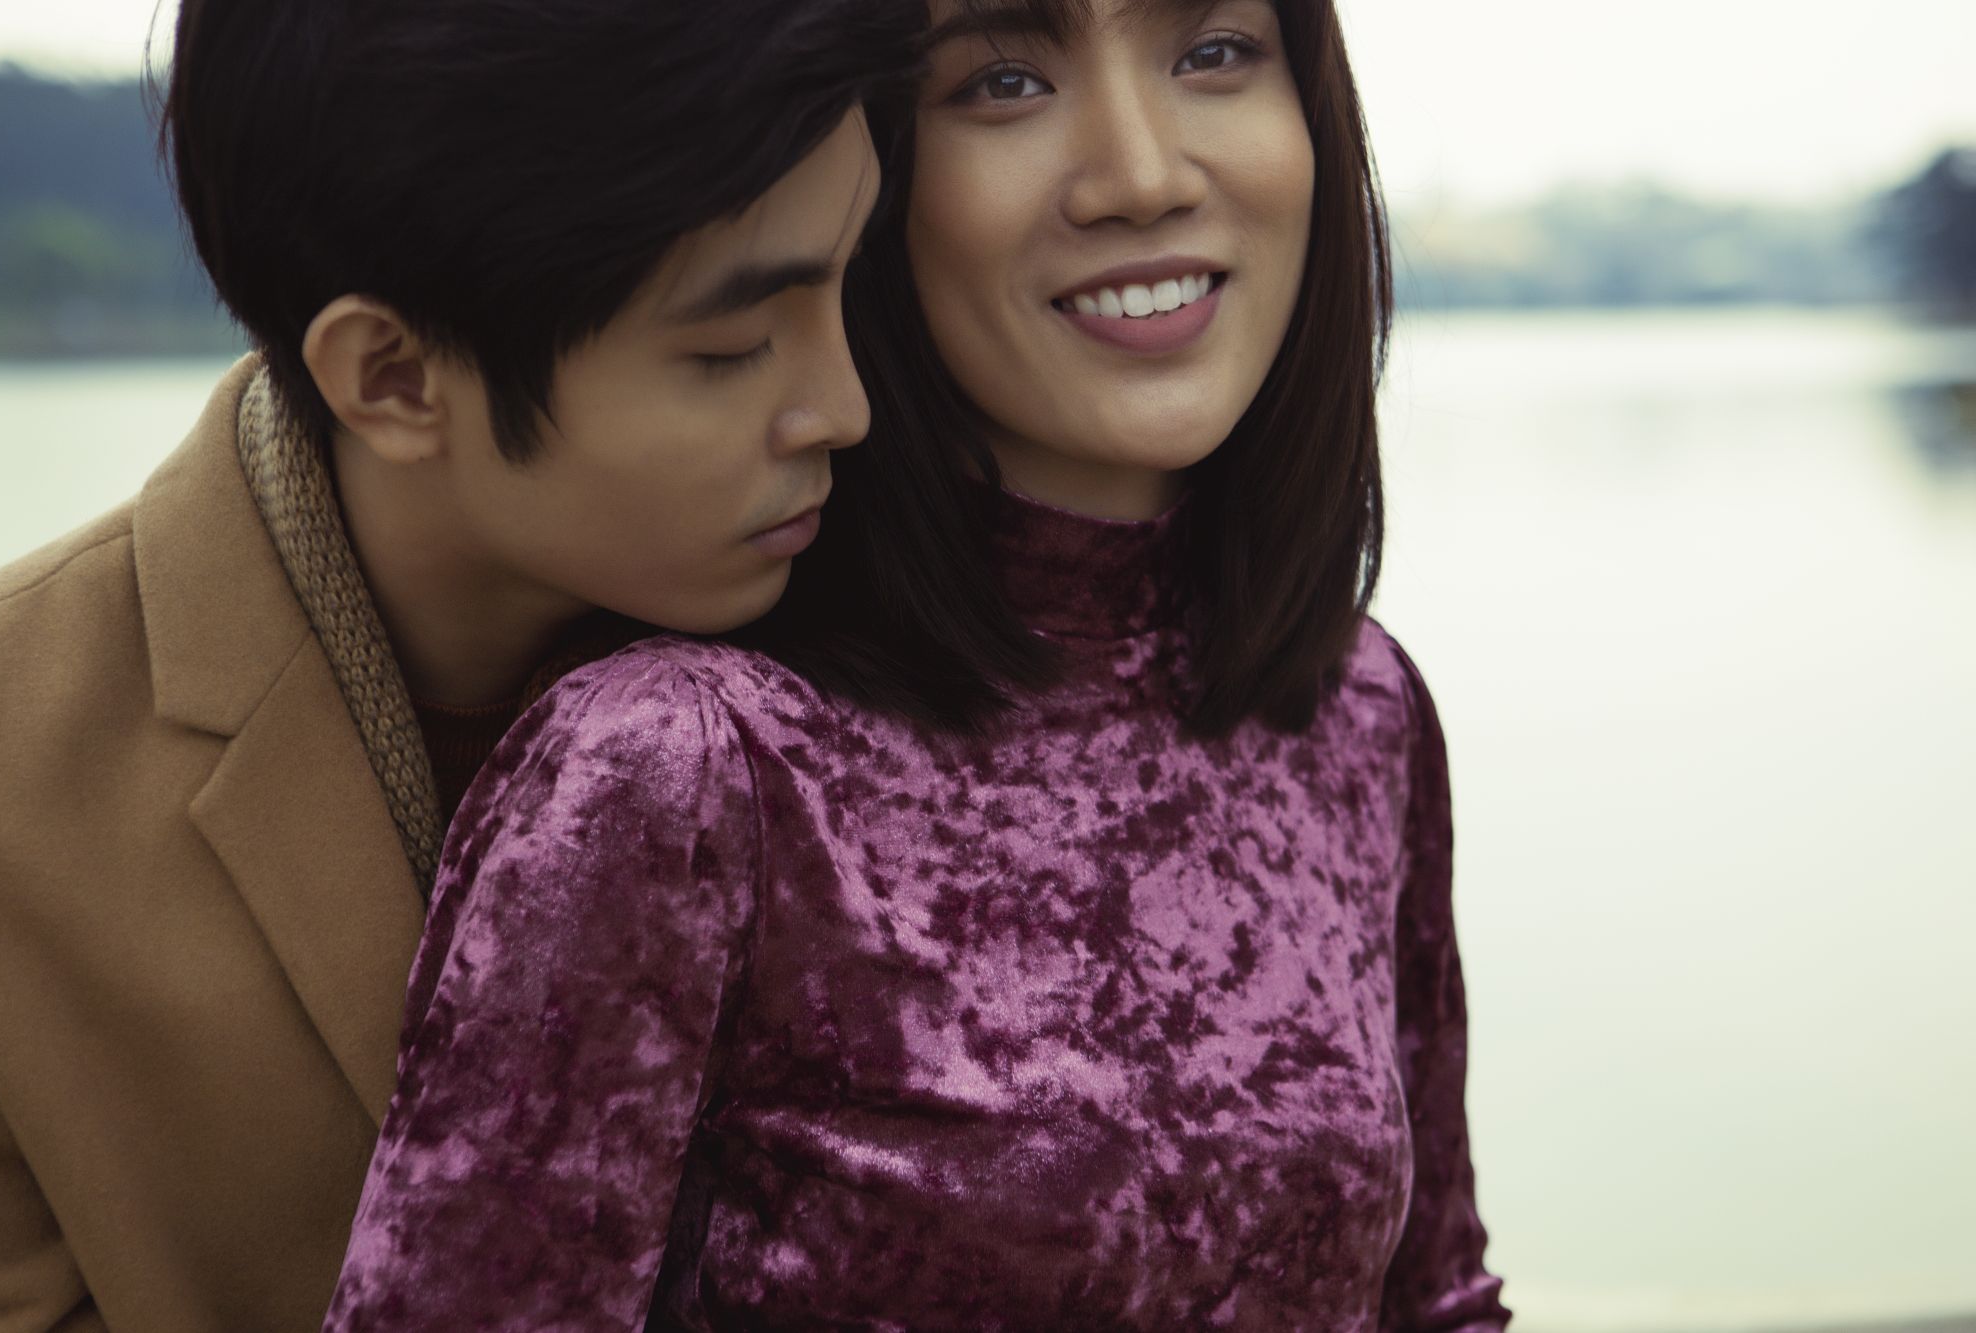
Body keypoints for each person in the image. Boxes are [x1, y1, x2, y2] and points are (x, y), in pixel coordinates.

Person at [326, 0, 1511, 1327]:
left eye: (1217, 51)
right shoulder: (683, 762)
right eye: (1003, 81)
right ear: (860, 171)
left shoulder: (1356, 703)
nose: (1142, 176)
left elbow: (1435, 1300)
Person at [0, 0, 913, 1326]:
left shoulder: (932, 620)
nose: (848, 406)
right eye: (732, 348)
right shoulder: (1, 776)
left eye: (850, 284)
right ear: (394, 377)